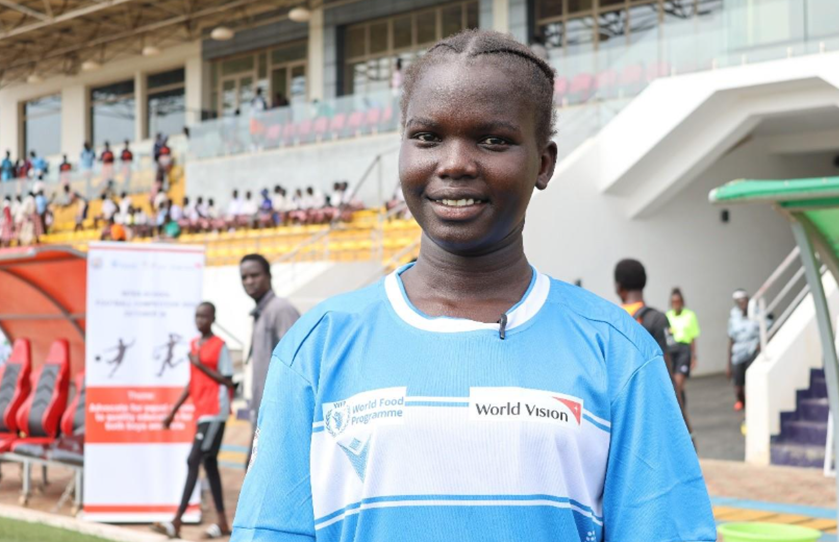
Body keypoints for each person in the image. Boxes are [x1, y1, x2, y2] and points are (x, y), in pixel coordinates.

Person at [232, 30, 715, 542]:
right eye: (427, 137)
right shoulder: (318, 349)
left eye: (493, 140)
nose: (455, 163)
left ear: (544, 163)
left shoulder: (617, 353)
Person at [154, 302, 233, 540]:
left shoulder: (221, 346)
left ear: (213, 318)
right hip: (201, 412)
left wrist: (200, 364)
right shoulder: (193, 346)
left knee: (194, 459)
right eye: (197, 316)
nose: (200, 320)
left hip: (215, 411)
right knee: (208, 463)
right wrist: (173, 412)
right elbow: (192, 382)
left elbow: (228, 381)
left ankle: (176, 521)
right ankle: (222, 523)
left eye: (205, 316)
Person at [237, 254, 299, 469]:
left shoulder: (280, 310)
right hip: (262, 412)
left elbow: (295, 362)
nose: (249, 282)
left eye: (254, 275)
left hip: (277, 413)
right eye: (244, 277)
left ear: (269, 276)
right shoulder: (261, 313)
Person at [666, 287, 700, 429]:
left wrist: (694, 356)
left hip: (684, 351)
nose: (676, 304)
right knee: (675, 385)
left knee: (678, 383)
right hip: (671, 351)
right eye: (674, 301)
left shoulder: (690, 315)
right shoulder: (667, 316)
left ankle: (680, 414)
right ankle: (681, 407)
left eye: (678, 301)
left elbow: (692, 337)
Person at [727, 288, 762, 411]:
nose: (742, 303)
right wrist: (728, 363)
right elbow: (731, 338)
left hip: (752, 351)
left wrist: (760, 345)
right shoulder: (734, 316)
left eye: (743, 300)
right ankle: (741, 401)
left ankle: (752, 404)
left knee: (751, 381)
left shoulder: (757, 313)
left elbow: (766, 330)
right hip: (738, 354)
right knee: (738, 385)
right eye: (738, 301)